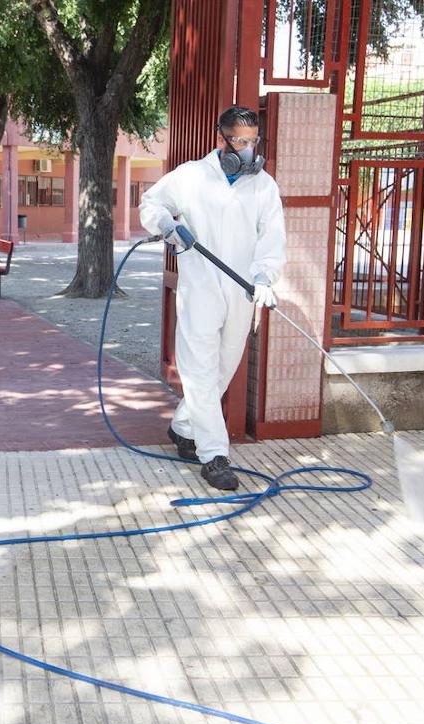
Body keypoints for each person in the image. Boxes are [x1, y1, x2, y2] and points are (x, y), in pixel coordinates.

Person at [138, 105, 286, 492]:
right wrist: (168, 225)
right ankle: (214, 455)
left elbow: (272, 237)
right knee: (200, 371)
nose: (248, 148)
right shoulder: (190, 176)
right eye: (241, 141)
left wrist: (265, 277)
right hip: (200, 288)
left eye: (253, 141)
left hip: (241, 291)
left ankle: (183, 428)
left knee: (223, 368)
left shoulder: (264, 186)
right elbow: (150, 204)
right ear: (223, 139)